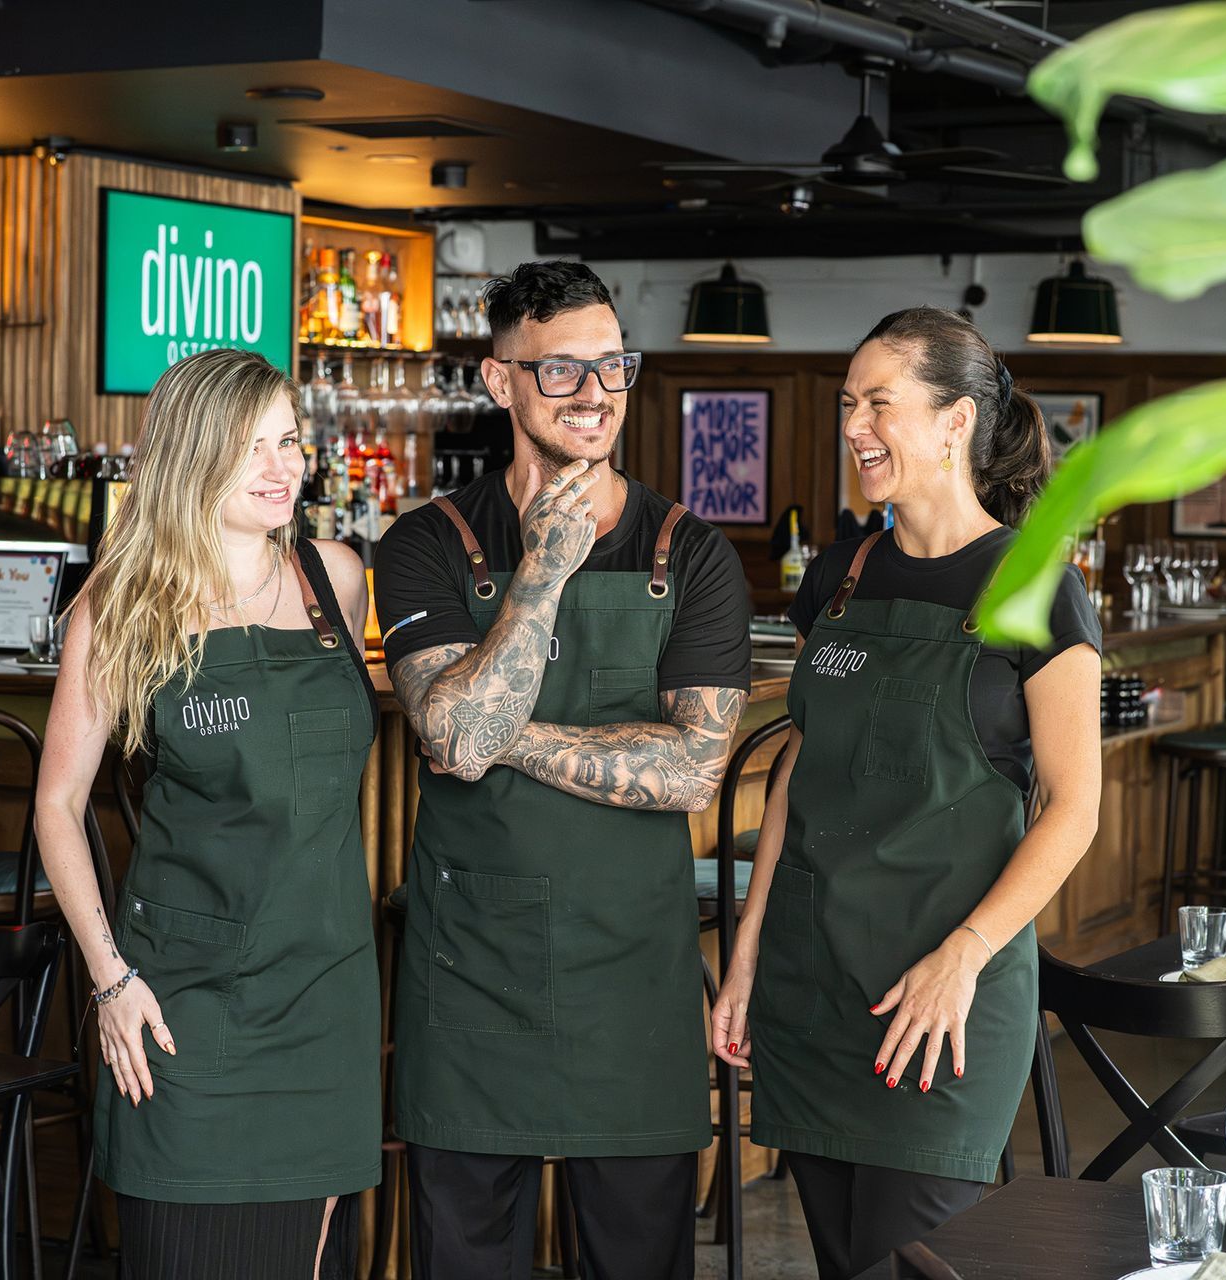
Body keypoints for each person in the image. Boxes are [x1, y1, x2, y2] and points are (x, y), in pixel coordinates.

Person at [373, 260, 753, 1279]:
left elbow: (691, 772)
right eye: (563, 372)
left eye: (614, 366)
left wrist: (501, 733)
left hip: (632, 979)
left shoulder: (692, 551)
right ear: (500, 382)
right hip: (469, 979)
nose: (597, 394)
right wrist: (542, 569)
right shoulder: (426, 542)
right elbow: (449, 738)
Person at [713, 307, 1103, 1279]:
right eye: (849, 403)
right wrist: (750, 949)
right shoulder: (842, 575)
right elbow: (803, 771)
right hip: (815, 984)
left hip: (941, 993)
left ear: (955, 421)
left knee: (917, 1260)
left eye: (879, 403)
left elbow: (1074, 806)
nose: (854, 426)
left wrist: (964, 957)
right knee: (845, 1262)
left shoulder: (1037, 586)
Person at [35, 348, 378, 1280]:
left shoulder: (335, 581)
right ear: (192, 456)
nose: (282, 468)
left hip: (327, 997)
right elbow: (58, 807)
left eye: (290, 442)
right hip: (181, 1004)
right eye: (249, 448)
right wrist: (109, 979)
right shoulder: (121, 606)